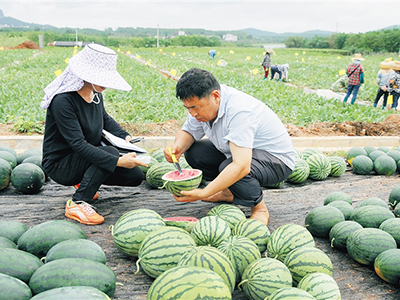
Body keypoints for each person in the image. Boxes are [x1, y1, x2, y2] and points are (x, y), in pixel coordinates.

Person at [164, 68, 295, 226]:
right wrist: (178, 146)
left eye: (195, 108)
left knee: (231, 167)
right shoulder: (203, 106)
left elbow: (241, 166)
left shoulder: (239, 110)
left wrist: (205, 192)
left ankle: (259, 208)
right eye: (188, 108)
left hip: (276, 162)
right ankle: (228, 193)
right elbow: (188, 131)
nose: (192, 113)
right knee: (195, 152)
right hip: (244, 154)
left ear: (215, 96)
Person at [41, 44, 148, 225]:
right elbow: (78, 144)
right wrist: (118, 161)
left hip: (84, 157)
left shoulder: (95, 94)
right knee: (111, 154)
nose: (105, 83)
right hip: (61, 164)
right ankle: (77, 202)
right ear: (85, 74)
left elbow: (105, 119)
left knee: (135, 177)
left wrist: (125, 137)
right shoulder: (63, 101)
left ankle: (85, 180)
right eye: (100, 78)